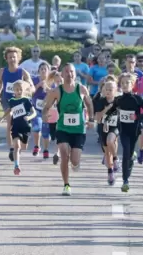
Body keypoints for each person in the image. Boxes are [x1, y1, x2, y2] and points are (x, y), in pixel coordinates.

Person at [42, 63, 95, 196]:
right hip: (63, 128)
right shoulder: (57, 91)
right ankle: (66, 185)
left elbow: (89, 104)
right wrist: (44, 115)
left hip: (78, 130)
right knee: (64, 153)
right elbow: (46, 106)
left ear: (75, 74)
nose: (69, 74)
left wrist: (91, 119)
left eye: (71, 72)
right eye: (66, 72)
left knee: (75, 161)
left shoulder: (81, 89)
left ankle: (75, 163)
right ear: (62, 74)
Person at [103, 73, 143, 192]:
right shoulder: (119, 99)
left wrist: (137, 116)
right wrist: (105, 121)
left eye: (127, 83)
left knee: (129, 155)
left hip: (134, 130)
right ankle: (125, 180)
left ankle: (130, 164)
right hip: (123, 130)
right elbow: (112, 111)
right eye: (123, 83)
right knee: (125, 152)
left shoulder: (137, 99)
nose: (125, 85)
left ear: (132, 84)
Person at [0, 47, 35, 161]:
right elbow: (0, 83)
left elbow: (32, 87)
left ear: (18, 58)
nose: (12, 59)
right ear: (6, 59)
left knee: (19, 123)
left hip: (20, 102)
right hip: (7, 101)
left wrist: (26, 89)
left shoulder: (22, 72)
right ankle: (11, 149)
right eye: (10, 57)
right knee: (10, 122)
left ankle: (18, 144)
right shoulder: (2, 71)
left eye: (14, 57)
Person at [0, 80, 37, 175]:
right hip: (16, 127)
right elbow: (8, 110)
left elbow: (34, 113)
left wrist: (29, 117)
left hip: (25, 127)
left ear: (23, 90)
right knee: (17, 146)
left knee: (23, 147)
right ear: (13, 91)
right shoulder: (12, 101)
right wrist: (2, 118)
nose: (19, 91)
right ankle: (16, 166)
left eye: (20, 89)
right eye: (17, 90)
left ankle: (17, 155)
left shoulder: (26, 100)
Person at [95, 81, 120, 185]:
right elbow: (97, 117)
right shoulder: (101, 101)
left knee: (111, 141)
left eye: (111, 89)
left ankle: (116, 159)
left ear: (115, 91)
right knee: (106, 152)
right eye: (106, 89)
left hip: (114, 127)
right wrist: (106, 109)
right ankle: (110, 173)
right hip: (103, 128)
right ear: (103, 90)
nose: (108, 91)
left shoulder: (119, 101)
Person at [31, 62, 52, 159]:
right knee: (36, 127)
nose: (43, 71)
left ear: (48, 71)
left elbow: (54, 94)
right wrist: (39, 85)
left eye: (45, 69)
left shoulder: (52, 82)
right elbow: (29, 92)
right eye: (41, 69)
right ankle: (36, 146)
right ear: (38, 71)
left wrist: (46, 88)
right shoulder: (34, 80)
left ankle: (46, 149)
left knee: (45, 131)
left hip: (47, 110)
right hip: (36, 109)